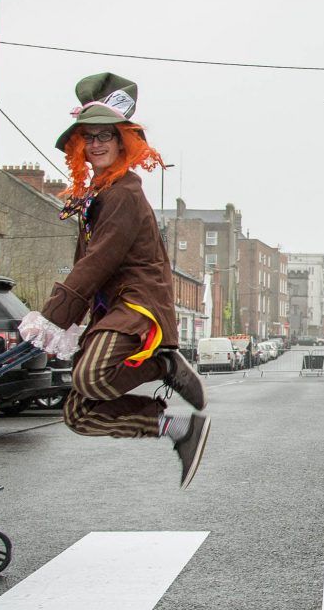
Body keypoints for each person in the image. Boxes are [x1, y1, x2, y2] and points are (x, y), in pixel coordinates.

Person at [17, 73, 210, 489]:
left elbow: (99, 262)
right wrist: (66, 322)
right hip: (111, 310)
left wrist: (52, 317)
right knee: (78, 414)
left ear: (124, 141)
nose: (96, 144)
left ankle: (163, 363)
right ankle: (179, 431)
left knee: (91, 377)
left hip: (136, 305)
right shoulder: (98, 195)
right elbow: (86, 263)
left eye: (106, 135)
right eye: (88, 137)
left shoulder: (123, 193)